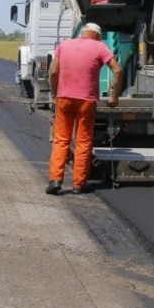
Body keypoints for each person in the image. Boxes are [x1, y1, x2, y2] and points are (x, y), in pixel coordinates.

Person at [46, 23, 123, 195]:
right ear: (96, 35)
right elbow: (118, 70)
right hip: (86, 101)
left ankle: (55, 180)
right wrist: (114, 97)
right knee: (83, 142)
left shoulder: (64, 45)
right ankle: (78, 184)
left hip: (64, 99)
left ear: (83, 33)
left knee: (61, 140)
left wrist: (55, 94)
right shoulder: (99, 47)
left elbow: (52, 72)